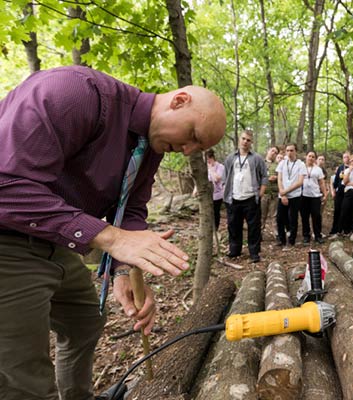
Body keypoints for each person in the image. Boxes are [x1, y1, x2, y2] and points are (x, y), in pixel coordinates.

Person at [0, 66, 226, 400]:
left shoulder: (149, 146)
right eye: (193, 135)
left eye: (198, 147)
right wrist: (113, 239)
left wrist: (124, 272)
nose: (189, 150)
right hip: (8, 238)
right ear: (178, 101)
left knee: (85, 321)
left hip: (55, 238)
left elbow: (132, 208)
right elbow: (7, 186)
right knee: (25, 376)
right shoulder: (75, 93)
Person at [223, 130, 267, 263]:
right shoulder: (231, 158)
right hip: (234, 198)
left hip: (251, 198)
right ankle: (235, 250)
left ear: (251, 142)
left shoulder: (256, 158)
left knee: (254, 227)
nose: (245, 142)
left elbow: (264, 176)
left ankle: (254, 253)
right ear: (239, 140)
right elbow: (226, 175)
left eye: (248, 140)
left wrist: (261, 192)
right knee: (233, 226)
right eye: (243, 139)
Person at [276, 144, 307, 247]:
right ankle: (281, 239)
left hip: (295, 196)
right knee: (280, 218)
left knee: (292, 218)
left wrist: (286, 191)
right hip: (283, 195)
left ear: (296, 151)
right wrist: (282, 193)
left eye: (291, 150)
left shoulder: (301, 164)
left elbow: (300, 182)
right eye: (287, 150)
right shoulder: (282, 163)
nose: (289, 152)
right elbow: (279, 179)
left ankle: (291, 240)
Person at [300, 151, 327, 244]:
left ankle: (318, 235)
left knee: (316, 216)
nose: (311, 158)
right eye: (309, 156)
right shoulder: (301, 167)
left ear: (315, 159)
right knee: (304, 216)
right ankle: (306, 236)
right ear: (306, 157)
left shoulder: (318, 169)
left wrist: (325, 194)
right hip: (303, 195)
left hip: (315, 196)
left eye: (313, 157)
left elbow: (321, 182)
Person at [329, 151, 350, 238]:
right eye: (344, 157)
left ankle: (346, 229)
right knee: (337, 210)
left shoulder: (352, 167)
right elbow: (336, 180)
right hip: (339, 192)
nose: (346, 159)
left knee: (346, 211)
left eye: (347, 157)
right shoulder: (340, 168)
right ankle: (335, 229)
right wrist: (334, 190)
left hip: (348, 192)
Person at [261, 146, 280, 235]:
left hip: (274, 194)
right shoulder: (261, 163)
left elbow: (281, 177)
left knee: (274, 216)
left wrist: (276, 177)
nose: (274, 153)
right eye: (272, 151)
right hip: (263, 194)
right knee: (262, 216)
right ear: (268, 151)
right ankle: (259, 233)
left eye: (276, 152)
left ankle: (276, 234)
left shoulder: (277, 165)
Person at [207, 149, 225, 229]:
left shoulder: (220, 167)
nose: (207, 161)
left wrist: (211, 168)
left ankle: (215, 229)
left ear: (212, 158)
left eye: (208, 159)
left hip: (217, 194)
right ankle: (209, 228)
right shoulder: (205, 167)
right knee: (208, 212)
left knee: (215, 212)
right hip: (208, 194)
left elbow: (217, 178)